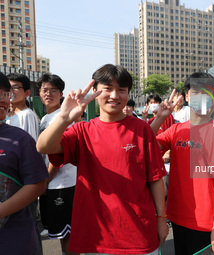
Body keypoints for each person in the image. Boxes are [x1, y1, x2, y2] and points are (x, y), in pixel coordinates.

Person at [37, 64, 168, 254]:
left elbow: (155, 178)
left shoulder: (142, 129)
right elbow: (43, 146)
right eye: (108, 88)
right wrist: (64, 117)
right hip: (97, 236)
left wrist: (161, 219)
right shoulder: (82, 131)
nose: (115, 95)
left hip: (139, 233)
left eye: (121, 90)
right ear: (96, 91)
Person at [150, 72, 214, 254]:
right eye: (195, 92)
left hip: (206, 222)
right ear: (187, 96)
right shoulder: (176, 130)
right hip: (177, 217)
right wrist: (159, 119)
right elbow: (145, 144)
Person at [0, 72, 49, 255]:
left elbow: (37, 184)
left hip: (15, 240)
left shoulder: (21, 139)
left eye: (6, 93)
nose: (4, 99)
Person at [37, 73, 78, 255]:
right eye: (45, 90)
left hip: (63, 183)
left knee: (67, 232)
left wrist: (45, 180)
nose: (49, 94)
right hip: (53, 182)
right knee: (61, 232)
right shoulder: (46, 118)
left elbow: (56, 156)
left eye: (54, 90)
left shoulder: (61, 117)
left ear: (61, 94)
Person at [6, 73, 40, 141]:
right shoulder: (5, 115)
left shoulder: (27, 114)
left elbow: (30, 144)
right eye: (8, 87)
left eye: (15, 88)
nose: (11, 91)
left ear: (27, 93)